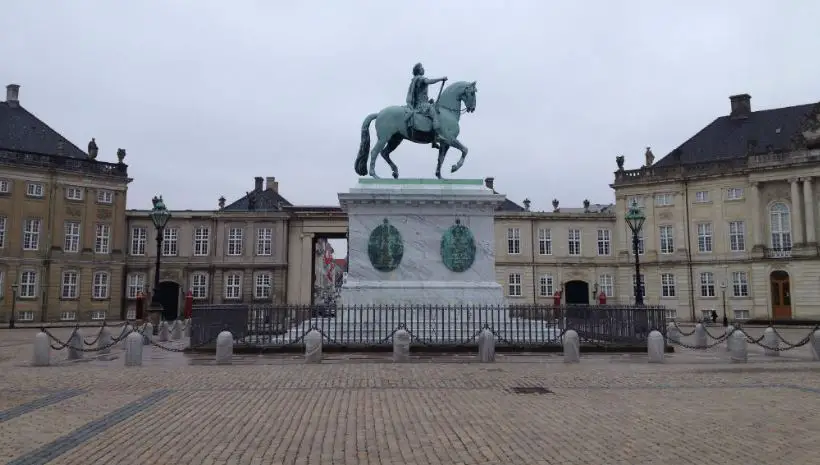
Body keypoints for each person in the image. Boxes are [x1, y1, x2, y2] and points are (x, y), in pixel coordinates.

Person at [406, 63, 447, 149]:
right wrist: (441, 79)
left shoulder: (414, 80)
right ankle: (437, 136)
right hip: (422, 105)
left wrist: (429, 101)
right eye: (422, 68)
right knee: (435, 113)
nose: (423, 69)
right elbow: (429, 81)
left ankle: (433, 141)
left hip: (421, 103)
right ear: (419, 70)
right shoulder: (420, 79)